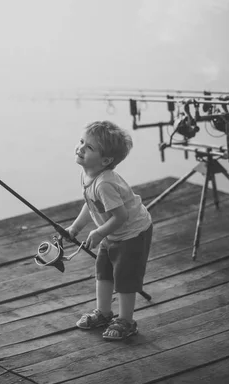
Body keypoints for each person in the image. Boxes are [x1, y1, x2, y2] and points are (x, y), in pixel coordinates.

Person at [65, 120, 153, 340]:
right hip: (112, 232)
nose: (81, 148)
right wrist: (76, 227)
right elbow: (91, 204)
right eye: (82, 141)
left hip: (132, 233)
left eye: (90, 147)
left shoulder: (105, 183)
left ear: (105, 160)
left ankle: (126, 321)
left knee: (124, 277)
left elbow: (121, 216)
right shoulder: (88, 175)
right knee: (103, 272)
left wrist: (99, 232)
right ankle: (104, 313)